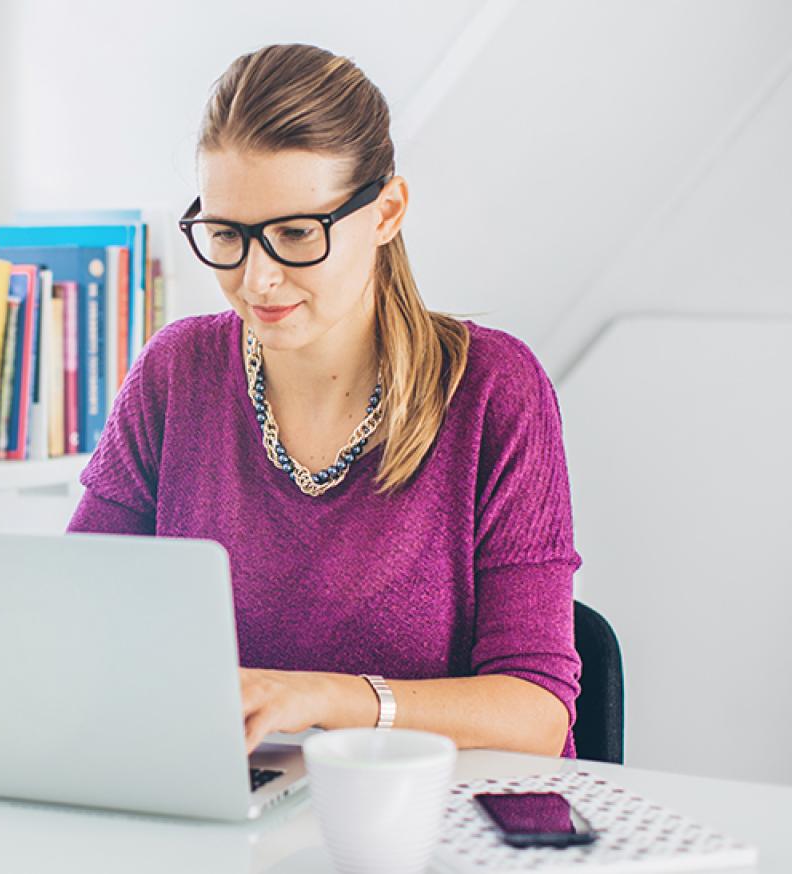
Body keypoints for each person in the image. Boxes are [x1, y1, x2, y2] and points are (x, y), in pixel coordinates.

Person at [67, 43, 583, 758]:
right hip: (223, 804)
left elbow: (536, 715)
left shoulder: (495, 391)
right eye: (226, 234)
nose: (258, 279)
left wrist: (324, 697)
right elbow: (76, 620)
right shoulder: (174, 374)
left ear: (386, 212)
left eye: (296, 234)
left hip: (421, 824)